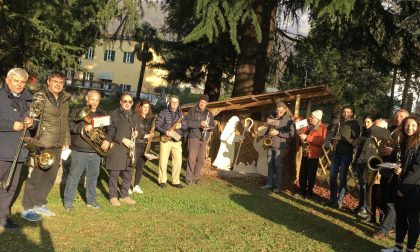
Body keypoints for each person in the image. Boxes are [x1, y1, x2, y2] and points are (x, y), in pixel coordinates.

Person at [21, 71, 71, 222]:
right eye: (55, 81)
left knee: (50, 176)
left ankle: (39, 203)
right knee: (37, 176)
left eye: (61, 82)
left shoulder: (64, 99)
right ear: (48, 81)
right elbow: (32, 116)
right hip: (43, 142)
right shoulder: (40, 96)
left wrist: (66, 141)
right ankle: (27, 208)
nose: (58, 84)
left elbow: (65, 122)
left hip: (58, 143)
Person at [63, 90, 111, 211]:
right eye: (92, 99)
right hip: (79, 150)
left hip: (96, 151)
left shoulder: (102, 113)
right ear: (86, 98)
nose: (94, 102)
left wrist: (107, 140)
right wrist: (83, 127)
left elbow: (110, 129)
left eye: (97, 100)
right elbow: (69, 125)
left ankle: (91, 201)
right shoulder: (77, 110)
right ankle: (68, 202)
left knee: (93, 177)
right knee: (74, 176)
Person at [0, 68, 34, 228]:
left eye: (23, 82)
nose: (20, 85)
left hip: (19, 151)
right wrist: (10, 125)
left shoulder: (29, 99)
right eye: (16, 81)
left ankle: (2, 217)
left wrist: (33, 123)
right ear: (8, 80)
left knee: (10, 187)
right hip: (1, 149)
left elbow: (36, 121)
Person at [382, 116, 420, 252]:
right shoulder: (404, 142)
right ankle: (398, 247)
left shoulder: (419, 143)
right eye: (407, 125)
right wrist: (397, 168)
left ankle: (409, 249)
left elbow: (417, 169)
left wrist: (403, 188)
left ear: (418, 127)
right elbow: (403, 163)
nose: (409, 128)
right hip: (400, 185)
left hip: (413, 189)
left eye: (413, 125)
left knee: (413, 221)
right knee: (401, 219)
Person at [374, 109, 409, 239]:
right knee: (382, 198)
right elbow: (383, 143)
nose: (398, 118)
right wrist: (382, 149)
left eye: (401, 116)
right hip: (385, 166)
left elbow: (405, 149)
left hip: (397, 169)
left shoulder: (407, 132)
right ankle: (393, 225)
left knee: (391, 200)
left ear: (407, 118)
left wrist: (392, 150)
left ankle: (385, 229)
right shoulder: (391, 128)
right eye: (396, 116)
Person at [106, 93, 138, 206]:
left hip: (130, 150)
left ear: (132, 103)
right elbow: (110, 132)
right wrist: (122, 139)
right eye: (125, 101)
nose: (127, 104)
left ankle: (124, 196)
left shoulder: (134, 115)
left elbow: (136, 127)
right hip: (118, 148)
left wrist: (137, 132)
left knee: (128, 174)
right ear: (120, 102)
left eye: (130, 102)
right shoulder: (113, 114)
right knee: (114, 174)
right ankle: (113, 196)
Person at [327, 105, 360, 208]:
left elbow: (355, 141)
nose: (345, 114)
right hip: (336, 152)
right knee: (332, 175)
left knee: (342, 177)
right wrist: (334, 140)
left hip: (346, 153)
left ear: (352, 113)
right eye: (344, 112)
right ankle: (332, 198)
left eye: (348, 112)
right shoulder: (340, 123)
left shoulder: (354, 124)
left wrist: (341, 139)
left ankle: (339, 200)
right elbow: (336, 137)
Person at [356, 119, 388, 223]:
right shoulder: (369, 139)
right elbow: (364, 151)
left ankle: (383, 219)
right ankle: (371, 216)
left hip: (381, 173)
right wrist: (360, 159)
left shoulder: (389, 140)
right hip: (369, 171)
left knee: (380, 198)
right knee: (369, 197)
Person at [259, 102, 294, 193]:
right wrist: (265, 137)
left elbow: (291, 134)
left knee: (277, 166)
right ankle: (269, 183)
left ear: (285, 110)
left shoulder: (288, 120)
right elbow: (268, 129)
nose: (278, 112)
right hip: (270, 144)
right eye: (277, 110)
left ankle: (277, 186)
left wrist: (278, 133)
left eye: (280, 110)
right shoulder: (272, 116)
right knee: (270, 164)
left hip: (279, 146)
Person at [155, 95, 187, 188]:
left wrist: (181, 126)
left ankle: (176, 181)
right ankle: (162, 180)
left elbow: (186, 126)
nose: (174, 104)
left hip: (177, 141)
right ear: (169, 102)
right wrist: (166, 132)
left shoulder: (181, 114)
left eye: (176, 102)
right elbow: (157, 125)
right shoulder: (163, 112)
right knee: (163, 161)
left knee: (178, 161)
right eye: (172, 102)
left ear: (178, 103)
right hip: (165, 140)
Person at [185, 94, 215, 184]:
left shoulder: (209, 113)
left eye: (204, 103)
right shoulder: (192, 111)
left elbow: (213, 126)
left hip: (204, 138)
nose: (202, 104)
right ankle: (189, 178)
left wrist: (208, 127)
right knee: (192, 158)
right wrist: (199, 124)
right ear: (199, 102)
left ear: (207, 104)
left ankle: (196, 177)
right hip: (194, 136)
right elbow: (187, 123)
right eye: (201, 102)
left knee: (201, 160)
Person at [297, 110, 327, 199]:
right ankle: (302, 191)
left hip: (313, 155)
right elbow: (299, 130)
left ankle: (309, 193)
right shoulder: (307, 126)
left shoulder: (322, 128)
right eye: (310, 116)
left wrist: (307, 137)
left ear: (318, 119)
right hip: (305, 153)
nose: (310, 118)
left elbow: (321, 141)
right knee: (302, 173)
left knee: (311, 174)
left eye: (312, 117)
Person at [130, 100, 154, 194]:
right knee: (131, 166)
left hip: (145, 145)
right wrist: (144, 136)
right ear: (140, 107)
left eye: (147, 107)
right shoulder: (135, 117)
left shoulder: (150, 118)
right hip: (136, 144)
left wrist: (152, 134)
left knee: (141, 166)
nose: (145, 109)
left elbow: (151, 131)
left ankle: (136, 185)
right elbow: (133, 130)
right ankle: (127, 186)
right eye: (144, 107)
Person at [353, 115, 374, 217]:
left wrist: (362, 139)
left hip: (367, 162)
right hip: (360, 160)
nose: (366, 124)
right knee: (361, 186)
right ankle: (360, 205)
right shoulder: (364, 131)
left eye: (368, 122)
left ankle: (364, 208)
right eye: (365, 122)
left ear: (373, 123)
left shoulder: (373, 133)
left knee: (365, 187)